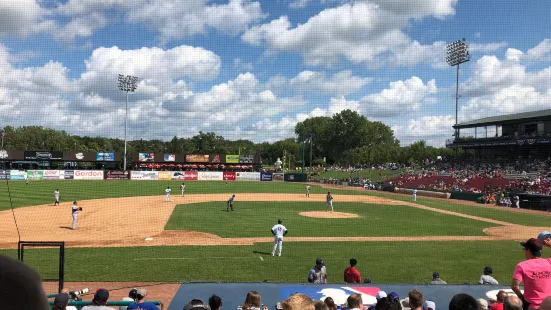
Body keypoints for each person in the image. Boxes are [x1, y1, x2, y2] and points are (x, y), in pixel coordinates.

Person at [511, 238, 551, 310]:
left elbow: (514, 286)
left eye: (525, 249)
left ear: (529, 250)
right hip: (549, 304)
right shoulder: (549, 262)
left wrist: (521, 297)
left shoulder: (521, 266)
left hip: (532, 306)